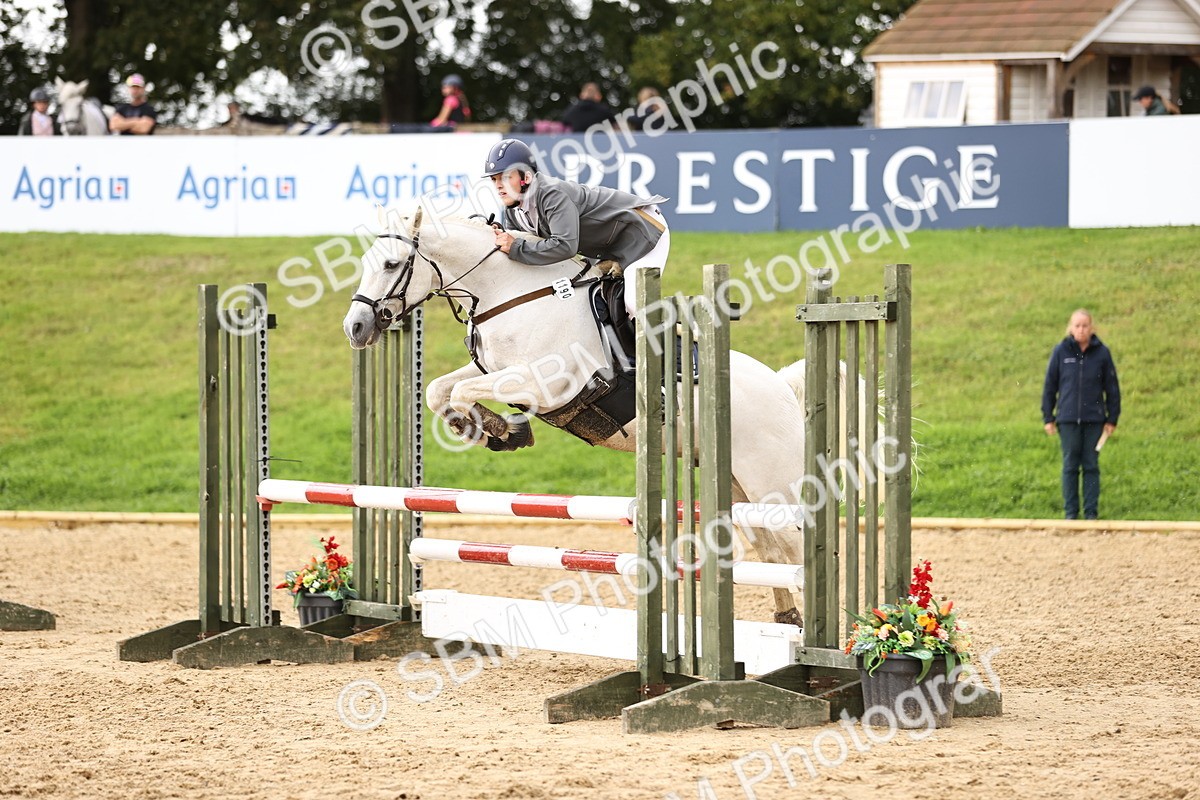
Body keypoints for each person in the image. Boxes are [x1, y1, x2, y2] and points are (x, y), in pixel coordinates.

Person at [483, 138, 669, 318]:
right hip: (609, 246)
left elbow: (565, 246)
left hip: (643, 232)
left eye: (506, 177)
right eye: (494, 179)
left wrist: (515, 246)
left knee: (634, 304)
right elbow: (525, 246)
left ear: (526, 176)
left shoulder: (552, 195)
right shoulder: (513, 210)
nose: (499, 186)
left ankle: (683, 342)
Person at [1041, 309, 1121, 520]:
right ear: (1070, 327)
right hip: (1067, 420)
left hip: (1094, 420)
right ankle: (1070, 513)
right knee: (1070, 465)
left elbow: (1112, 388)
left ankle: (1091, 513)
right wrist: (1048, 417)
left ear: (1091, 328)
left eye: (1085, 325)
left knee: (1091, 465)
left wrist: (1112, 418)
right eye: (1077, 325)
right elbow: (1050, 385)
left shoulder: (1102, 353)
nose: (1081, 330)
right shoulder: (1061, 352)